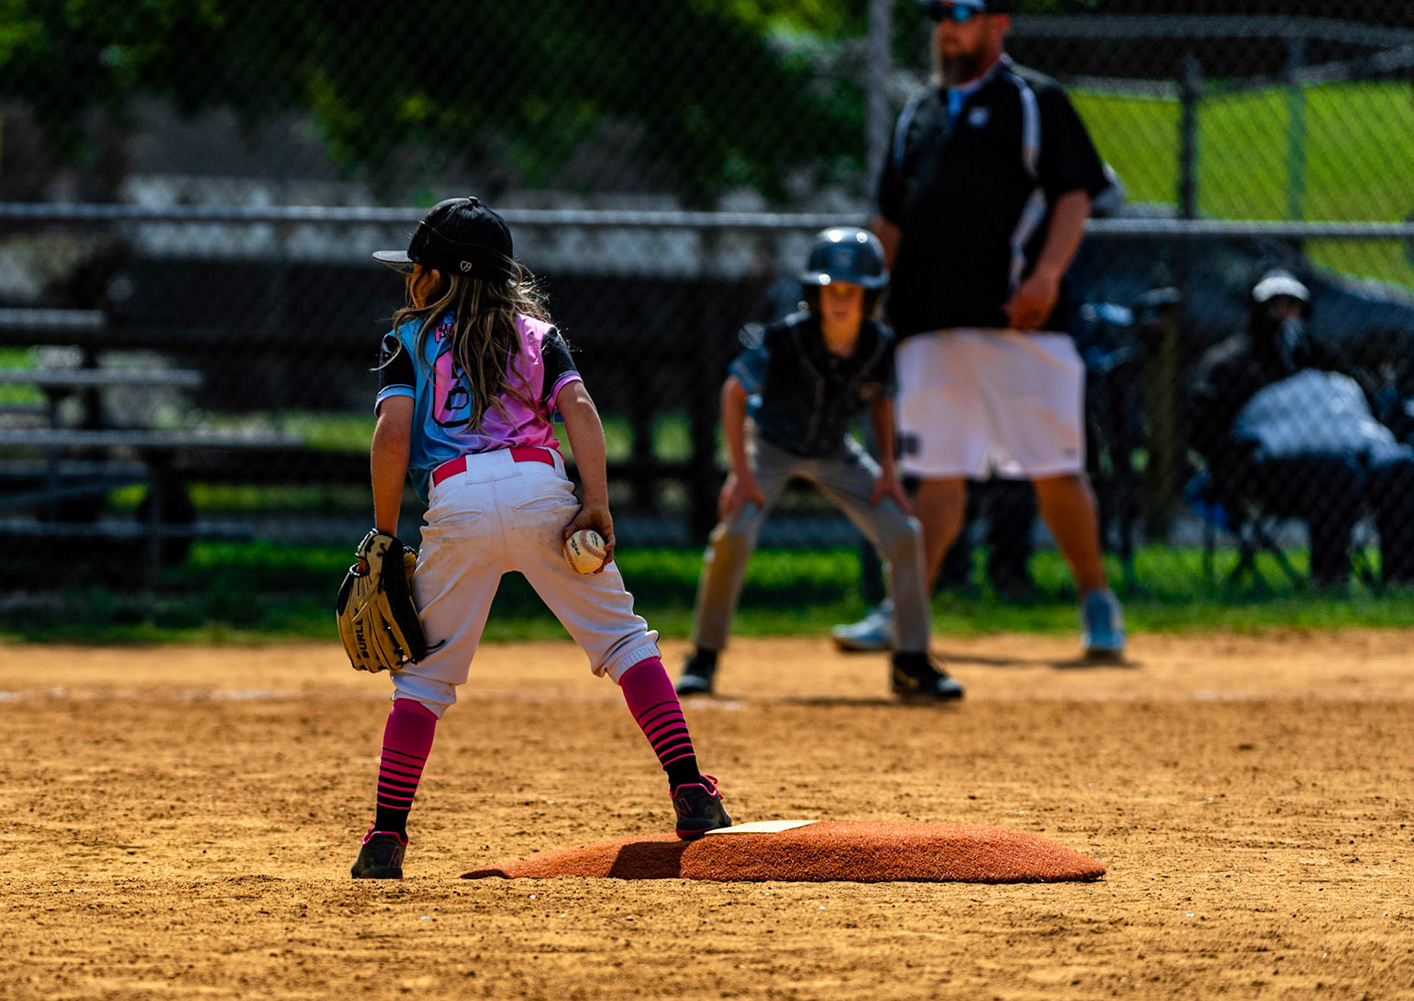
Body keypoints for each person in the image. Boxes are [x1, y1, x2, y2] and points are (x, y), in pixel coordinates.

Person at [350, 197, 734, 879]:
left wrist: (383, 535)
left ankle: (386, 837)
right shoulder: (536, 332)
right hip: (540, 491)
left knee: (424, 680)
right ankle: (690, 790)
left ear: (434, 277)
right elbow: (579, 408)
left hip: (456, 499)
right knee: (622, 641)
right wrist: (596, 503)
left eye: (417, 268)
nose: (409, 277)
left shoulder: (407, 339)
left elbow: (391, 437)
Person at [864, 0, 1126, 660]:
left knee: (1055, 470)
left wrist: (1046, 274)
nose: (945, 28)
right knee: (936, 477)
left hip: (1021, 324)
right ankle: (904, 610)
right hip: (929, 324)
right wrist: (865, 300)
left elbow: (1076, 194)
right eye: (939, 16)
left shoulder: (1035, 101)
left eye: (960, 14)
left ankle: (1096, 599)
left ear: (996, 24)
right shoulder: (917, 112)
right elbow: (890, 219)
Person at [674, 228, 962, 702]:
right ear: (814, 293)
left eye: (852, 291)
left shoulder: (878, 343)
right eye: (830, 290)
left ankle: (911, 663)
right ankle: (703, 658)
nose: (841, 301)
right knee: (735, 533)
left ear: (870, 297)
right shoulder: (785, 338)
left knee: (905, 533)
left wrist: (887, 469)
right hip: (769, 446)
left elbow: (882, 402)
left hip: (835, 451)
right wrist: (741, 474)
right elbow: (734, 393)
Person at [1188, 272, 1414, 586]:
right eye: (1275, 306)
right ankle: (1330, 578)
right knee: (1336, 472)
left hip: (1349, 449)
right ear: (1257, 310)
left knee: (1400, 466)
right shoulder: (1232, 361)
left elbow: (1364, 401)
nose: (1284, 315)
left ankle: (1403, 580)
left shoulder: (1321, 355)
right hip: (1274, 472)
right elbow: (1206, 424)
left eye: (1292, 306)